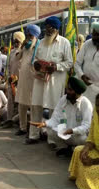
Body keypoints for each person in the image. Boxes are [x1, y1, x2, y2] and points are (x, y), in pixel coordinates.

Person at [27, 16, 73, 145]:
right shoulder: (41, 42)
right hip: (40, 80)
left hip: (55, 82)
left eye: (50, 27)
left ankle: (52, 139)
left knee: (54, 110)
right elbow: (35, 59)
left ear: (56, 29)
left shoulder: (64, 43)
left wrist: (56, 67)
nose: (48, 30)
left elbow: (69, 63)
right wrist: (36, 64)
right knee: (36, 107)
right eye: (46, 27)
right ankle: (33, 136)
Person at [30, 77, 92, 157]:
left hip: (80, 136)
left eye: (70, 90)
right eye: (67, 89)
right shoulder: (64, 99)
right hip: (67, 133)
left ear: (77, 92)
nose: (67, 91)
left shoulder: (85, 103)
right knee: (51, 130)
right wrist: (44, 124)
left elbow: (87, 126)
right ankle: (68, 148)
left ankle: (77, 150)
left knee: (82, 138)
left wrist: (72, 131)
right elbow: (55, 118)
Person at [69, 94, 99, 189]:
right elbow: (91, 136)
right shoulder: (96, 111)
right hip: (97, 150)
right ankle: (80, 178)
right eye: (97, 106)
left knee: (91, 170)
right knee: (78, 150)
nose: (98, 109)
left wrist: (93, 161)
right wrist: (86, 148)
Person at [15, 24, 41, 136]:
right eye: (27, 35)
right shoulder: (25, 47)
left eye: (30, 35)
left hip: (34, 80)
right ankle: (22, 127)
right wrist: (21, 47)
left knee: (33, 106)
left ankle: (33, 131)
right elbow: (17, 58)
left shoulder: (39, 46)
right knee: (22, 105)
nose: (28, 37)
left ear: (35, 36)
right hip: (23, 80)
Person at [75, 22, 99, 107]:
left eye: (97, 35)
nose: (94, 38)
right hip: (86, 87)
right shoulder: (87, 44)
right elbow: (77, 63)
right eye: (93, 34)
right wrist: (82, 75)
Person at [4, 31, 25, 127]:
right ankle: (9, 120)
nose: (16, 43)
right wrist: (9, 77)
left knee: (20, 103)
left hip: (21, 81)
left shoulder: (24, 52)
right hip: (11, 81)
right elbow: (8, 66)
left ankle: (20, 123)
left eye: (18, 42)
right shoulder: (11, 52)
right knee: (10, 102)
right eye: (15, 41)